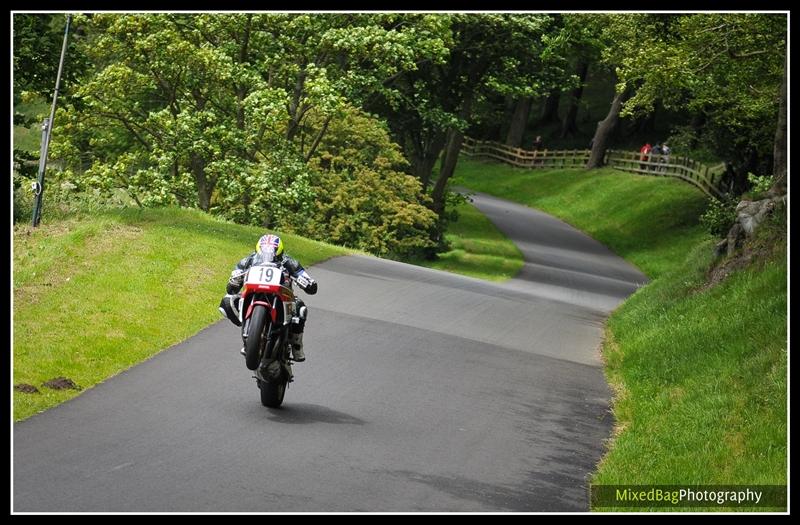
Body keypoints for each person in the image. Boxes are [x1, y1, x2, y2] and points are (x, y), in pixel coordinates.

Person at [219, 234, 318, 362]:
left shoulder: (290, 262)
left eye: (273, 253)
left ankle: (297, 346)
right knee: (228, 301)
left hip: (283, 296)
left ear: (280, 252)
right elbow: (232, 286)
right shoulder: (248, 260)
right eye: (264, 252)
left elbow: (307, 281)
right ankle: (248, 333)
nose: (268, 255)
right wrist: (234, 281)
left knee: (301, 308)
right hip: (255, 290)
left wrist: (307, 282)